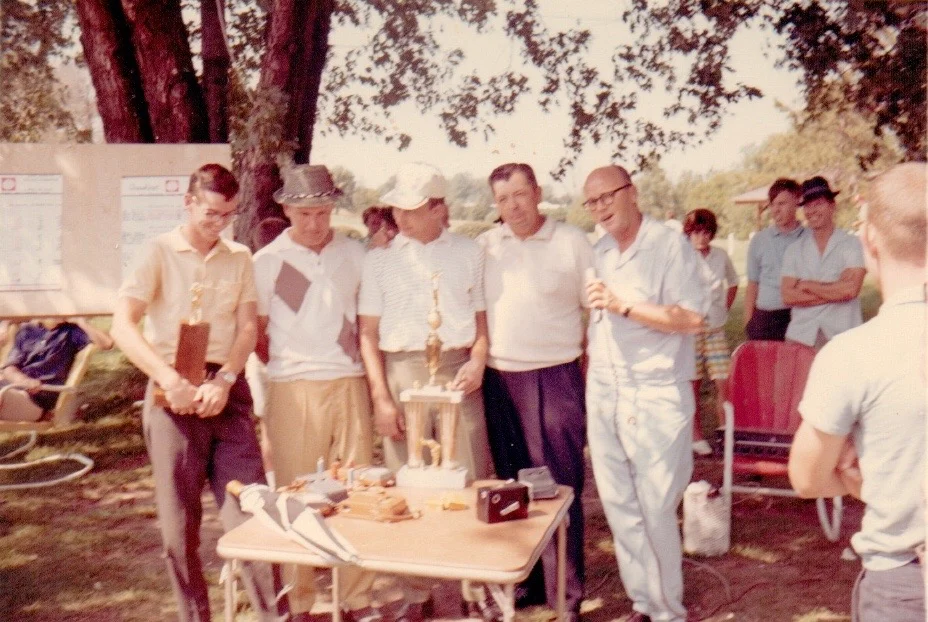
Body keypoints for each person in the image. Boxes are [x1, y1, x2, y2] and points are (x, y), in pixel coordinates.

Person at [110, 163, 286, 622]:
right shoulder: (156, 252)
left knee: (252, 513)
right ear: (188, 203)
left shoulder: (240, 256)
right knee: (178, 529)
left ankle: (274, 617)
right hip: (173, 391)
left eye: (227, 214)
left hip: (226, 390)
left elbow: (248, 327)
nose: (219, 223)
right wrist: (168, 380)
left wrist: (226, 378)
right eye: (211, 213)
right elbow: (121, 327)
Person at [788, 162, 926, 621]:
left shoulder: (853, 355)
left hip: (902, 580)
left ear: (867, 241)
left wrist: (860, 478)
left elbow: (806, 478)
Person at [358, 162, 493, 620]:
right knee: (408, 482)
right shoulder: (378, 259)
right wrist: (380, 397)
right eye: (397, 208)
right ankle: (416, 592)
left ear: (440, 208)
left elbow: (481, 324)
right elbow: (367, 334)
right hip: (402, 372)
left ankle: (477, 588)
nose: (402, 218)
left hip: (458, 371)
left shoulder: (470, 253)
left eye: (413, 209)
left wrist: (477, 360)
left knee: (472, 477)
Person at [254, 164, 381, 622]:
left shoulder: (355, 254)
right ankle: (301, 601)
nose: (314, 222)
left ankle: (356, 598)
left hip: (348, 384)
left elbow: (366, 322)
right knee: (296, 496)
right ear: (286, 209)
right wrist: (291, 367)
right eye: (304, 212)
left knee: (354, 492)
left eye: (323, 211)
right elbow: (259, 333)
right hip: (293, 388)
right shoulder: (267, 262)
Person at [583, 165, 707, 622]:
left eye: (606, 196)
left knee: (655, 508)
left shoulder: (668, 245)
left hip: (655, 394)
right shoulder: (599, 250)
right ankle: (644, 603)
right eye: (590, 202)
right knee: (619, 506)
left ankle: (669, 612)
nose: (599, 208)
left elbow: (693, 318)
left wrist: (625, 306)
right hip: (605, 390)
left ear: (631, 193)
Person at [477, 162, 592, 618]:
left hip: (554, 376)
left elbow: (596, 310)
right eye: (503, 200)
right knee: (511, 487)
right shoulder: (485, 246)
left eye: (520, 195)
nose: (513, 207)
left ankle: (567, 594)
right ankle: (523, 582)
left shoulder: (572, 242)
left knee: (559, 488)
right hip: (498, 380)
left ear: (538, 193)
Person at [781, 176, 866, 350]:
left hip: (842, 335)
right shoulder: (794, 250)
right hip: (801, 336)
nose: (812, 210)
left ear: (832, 206)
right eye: (807, 205)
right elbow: (788, 296)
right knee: (800, 379)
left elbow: (850, 290)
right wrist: (835, 290)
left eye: (818, 203)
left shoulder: (851, 244)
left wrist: (807, 284)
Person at [683, 209, 738, 456]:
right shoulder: (682, 257)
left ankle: (725, 432)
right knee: (692, 383)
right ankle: (695, 437)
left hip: (715, 328)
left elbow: (734, 283)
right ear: (689, 233)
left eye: (705, 232)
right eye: (695, 232)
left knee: (723, 381)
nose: (701, 238)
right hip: (691, 330)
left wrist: (724, 308)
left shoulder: (721, 256)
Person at [0, 317, 113, 422]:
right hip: (12, 388)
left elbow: (107, 343)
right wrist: (23, 380)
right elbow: (10, 367)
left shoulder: (71, 332)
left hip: (35, 399)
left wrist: (81, 321)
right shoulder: (27, 331)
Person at [744, 178, 806, 341]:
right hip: (765, 318)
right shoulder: (759, 240)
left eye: (782, 204)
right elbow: (752, 284)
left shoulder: (809, 238)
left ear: (797, 202)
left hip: (800, 316)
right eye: (773, 205)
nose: (776, 210)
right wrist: (749, 323)